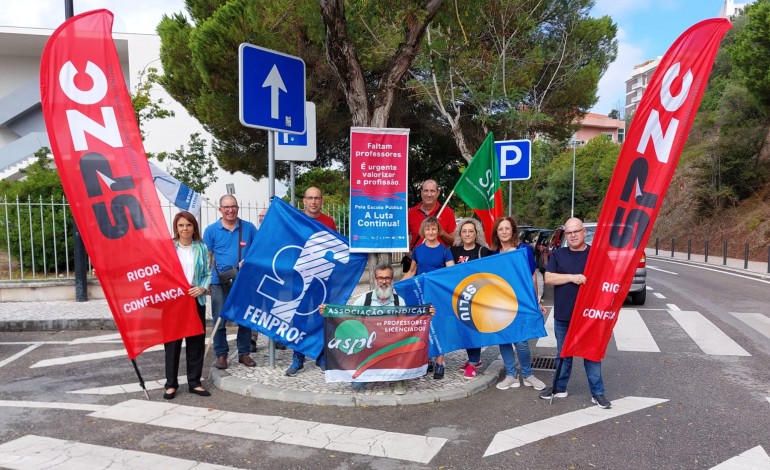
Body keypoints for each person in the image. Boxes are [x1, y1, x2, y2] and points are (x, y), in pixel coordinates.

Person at [540, 217, 611, 409]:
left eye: (576, 231)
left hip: (589, 316)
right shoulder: (558, 254)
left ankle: (598, 393)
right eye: (569, 233)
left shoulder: (596, 255)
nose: (572, 236)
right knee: (563, 354)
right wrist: (574, 278)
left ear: (583, 232)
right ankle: (559, 387)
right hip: (563, 315)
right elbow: (548, 278)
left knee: (592, 355)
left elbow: (607, 280)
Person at [489, 216, 547, 391]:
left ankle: (528, 375)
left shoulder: (523, 250)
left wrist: (535, 301)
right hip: (500, 304)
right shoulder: (493, 255)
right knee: (504, 339)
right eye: (501, 229)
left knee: (521, 341)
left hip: (520, 302)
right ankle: (510, 375)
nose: (504, 232)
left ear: (513, 231)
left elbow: (532, 276)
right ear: (496, 233)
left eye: (507, 228)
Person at [286, 186, 338, 377]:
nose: (314, 201)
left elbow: (336, 248)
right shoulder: (296, 220)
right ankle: (297, 358)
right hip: (299, 277)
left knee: (321, 318)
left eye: (317, 198)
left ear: (322, 200)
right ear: (304, 200)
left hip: (322, 279)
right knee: (298, 318)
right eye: (310, 198)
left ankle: (321, 356)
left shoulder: (329, 221)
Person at [203, 195, 258, 369]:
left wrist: (247, 261)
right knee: (220, 318)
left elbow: (258, 250)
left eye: (233, 206)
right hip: (219, 281)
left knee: (244, 318)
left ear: (237, 207)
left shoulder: (249, 228)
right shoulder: (211, 230)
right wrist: (207, 282)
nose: (230, 210)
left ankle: (244, 353)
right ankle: (221, 355)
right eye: (226, 207)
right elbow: (207, 258)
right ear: (220, 210)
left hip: (243, 280)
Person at [164, 211, 212, 399]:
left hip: (195, 299)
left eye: (188, 225)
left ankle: (194, 382)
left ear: (194, 227)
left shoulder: (201, 247)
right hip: (173, 302)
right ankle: (171, 384)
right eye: (181, 225)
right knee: (172, 344)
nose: (185, 229)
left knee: (195, 342)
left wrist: (202, 288)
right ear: (176, 228)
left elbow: (208, 273)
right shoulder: (168, 248)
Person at [403, 217, 454, 379]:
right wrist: (396, 285)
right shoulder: (418, 250)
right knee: (425, 328)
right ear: (423, 231)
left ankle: (440, 363)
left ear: (438, 231)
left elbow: (450, 273)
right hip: (422, 295)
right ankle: (429, 360)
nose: (431, 232)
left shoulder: (445, 250)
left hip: (439, 296)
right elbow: (411, 272)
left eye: (434, 229)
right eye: (428, 229)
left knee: (439, 328)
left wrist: (433, 277)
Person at [350, 263, 407, 395]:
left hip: (392, 347)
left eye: (387, 278)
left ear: (392, 280)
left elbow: (406, 327)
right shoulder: (364, 300)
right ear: (375, 280)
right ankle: (370, 370)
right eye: (380, 278)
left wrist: (426, 314)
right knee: (356, 385)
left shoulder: (399, 302)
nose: (384, 282)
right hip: (369, 347)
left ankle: (398, 377)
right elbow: (348, 319)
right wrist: (328, 312)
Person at [450, 218, 492, 379]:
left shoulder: (483, 252)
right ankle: (473, 359)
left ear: (477, 234)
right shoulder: (453, 251)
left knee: (473, 329)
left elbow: (488, 275)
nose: (467, 234)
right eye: (464, 231)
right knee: (463, 331)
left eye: (471, 231)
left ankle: (473, 363)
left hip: (476, 298)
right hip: (458, 297)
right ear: (460, 233)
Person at [408, 179, 456, 249]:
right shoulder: (411, 213)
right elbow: (400, 241)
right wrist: (411, 255)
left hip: (440, 259)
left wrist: (442, 233)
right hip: (415, 259)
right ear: (421, 192)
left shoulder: (448, 212)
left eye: (432, 191)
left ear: (438, 193)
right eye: (426, 191)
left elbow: (454, 242)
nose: (429, 194)